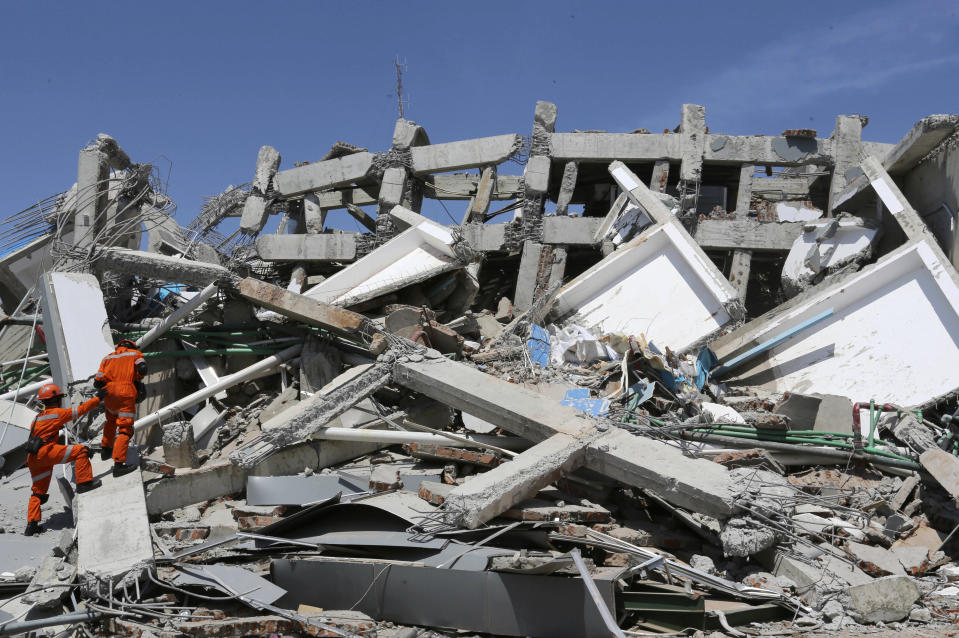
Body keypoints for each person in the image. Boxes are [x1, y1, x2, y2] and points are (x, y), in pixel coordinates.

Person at [25, 383, 102, 536]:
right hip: (46, 453)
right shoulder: (57, 413)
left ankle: (31, 525)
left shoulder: (36, 418)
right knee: (81, 451)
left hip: (33, 459)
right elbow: (80, 410)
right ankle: (84, 484)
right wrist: (98, 398)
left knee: (38, 492)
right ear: (56, 400)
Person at [94, 339, 146, 477]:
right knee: (125, 428)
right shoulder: (135, 354)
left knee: (110, 420)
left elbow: (97, 382)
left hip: (109, 394)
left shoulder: (107, 358)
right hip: (125, 392)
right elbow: (142, 369)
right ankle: (119, 464)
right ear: (131, 346)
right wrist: (136, 378)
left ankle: (105, 449)